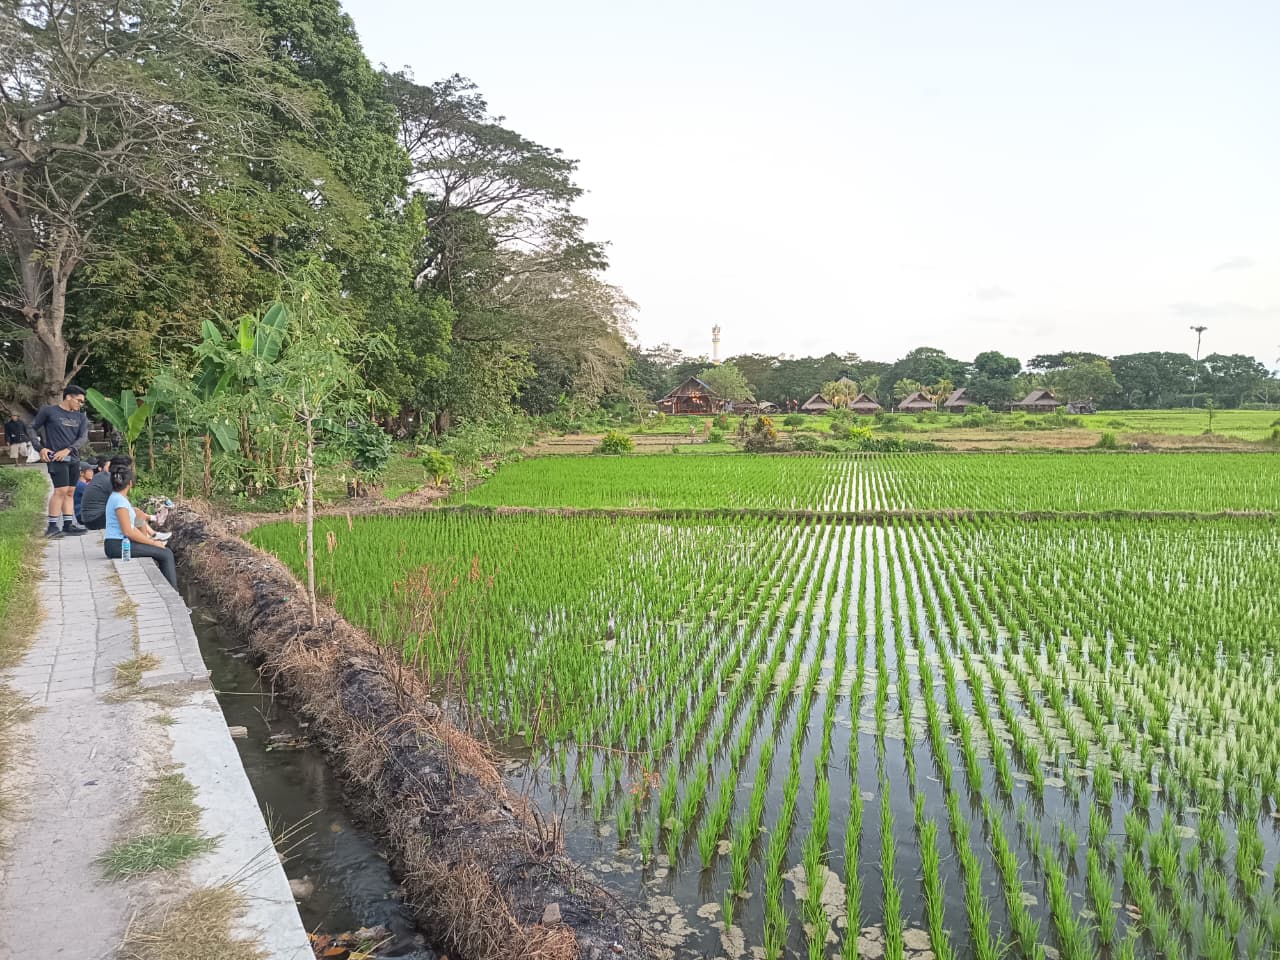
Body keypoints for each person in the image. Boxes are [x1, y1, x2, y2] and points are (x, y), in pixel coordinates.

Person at [27, 385, 90, 538]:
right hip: (55, 458)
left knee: (70, 491)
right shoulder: (49, 411)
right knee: (60, 491)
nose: (80, 404)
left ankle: (68, 524)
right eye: (79, 400)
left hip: (73, 458)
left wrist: (68, 450)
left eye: (82, 402)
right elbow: (31, 427)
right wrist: (40, 448)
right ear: (68, 397)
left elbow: (83, 438)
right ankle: (52, 527)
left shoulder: (80, 417)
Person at [103, 462, 177, 589]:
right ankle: (174, 594)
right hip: (117, 546)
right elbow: (128, 531)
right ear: (130, 483)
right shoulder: (119, 501)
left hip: (120, 543)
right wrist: (153, 543)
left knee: (163, 551)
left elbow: (131, 528)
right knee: (166, 554)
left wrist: (148, 540)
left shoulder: (118, 498)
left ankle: (168, 589)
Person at [79, 455, 117, 531]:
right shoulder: (106, 479)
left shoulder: (97, 479)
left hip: (87, 518)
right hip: (93, 519)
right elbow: (119, 503)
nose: (92, 472)